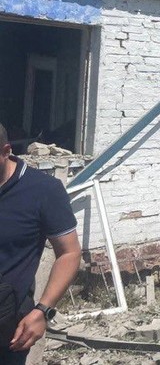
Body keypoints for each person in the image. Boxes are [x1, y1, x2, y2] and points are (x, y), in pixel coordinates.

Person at [0, 123, 81, 364]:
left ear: (6, 151)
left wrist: (43, 311)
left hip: (7, 326)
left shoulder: (42, 191)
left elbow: (70, 253)